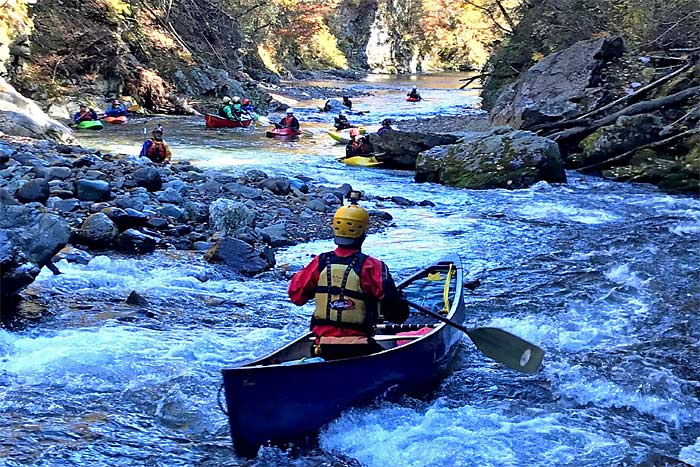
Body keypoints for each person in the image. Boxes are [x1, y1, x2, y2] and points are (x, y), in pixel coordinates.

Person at [288, 191, 409, 359]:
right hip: (360, 348)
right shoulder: (372, 266)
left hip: (323, 348)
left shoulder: (319, 262)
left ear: (335, 229)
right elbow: (397, 315)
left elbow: (296, 296)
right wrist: (398, 299)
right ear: (364, 232)